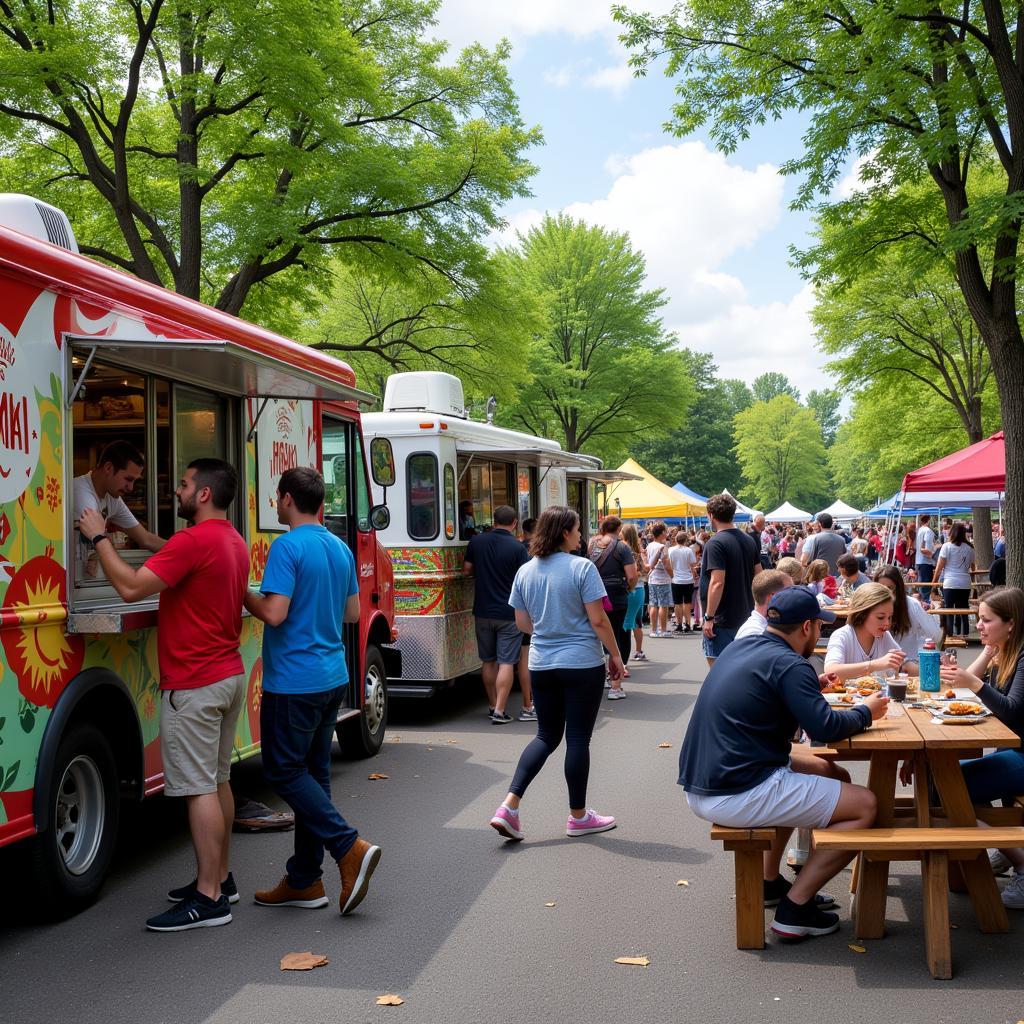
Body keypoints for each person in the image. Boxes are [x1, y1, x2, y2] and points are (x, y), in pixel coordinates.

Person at [78, 459, 248, 931]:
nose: (176, 490)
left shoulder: (193, 541)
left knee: (198, 790)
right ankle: (221, 878)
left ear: (205, 495)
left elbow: (131, 587)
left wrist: (98, 536)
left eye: (185, 484)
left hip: (194, 684)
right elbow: (167, 563)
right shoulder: (232, 539)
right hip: (226, 676)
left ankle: (209, 898)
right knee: (217, 782)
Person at [679, 587, 885, 939]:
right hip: (738, 789)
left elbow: (770, 693)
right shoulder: (792, 664)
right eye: (820, 627)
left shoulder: (742, 648)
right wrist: (867, 712)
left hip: (707, 780)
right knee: (866, 805)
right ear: (807, 627)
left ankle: (769, 881)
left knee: (830, 772)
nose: (820, 633)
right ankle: (795, 908)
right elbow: (828, 728)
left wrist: (808, 688)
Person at [243, 467, 380, 916]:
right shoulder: (338, 547)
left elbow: (275, 613)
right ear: (320, 502)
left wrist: (242, 593)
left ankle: (348, 846)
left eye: (277, 498)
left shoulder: (286, 547)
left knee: (283, 772)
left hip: (292, 681)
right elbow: (354, 612)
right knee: (314, 776)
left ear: (286, 499)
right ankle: (304, 879)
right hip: (331, 677)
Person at [489, 507, 623, 841]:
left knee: (546, 736)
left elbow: (522, 623)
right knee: (577, 737)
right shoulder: (582, 568)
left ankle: (509, 805)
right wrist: (616, 655)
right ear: (565, 532)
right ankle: (578, 817)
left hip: (541, 662)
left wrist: (549, 633)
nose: (581, 535)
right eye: (578, 529)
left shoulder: (526, 571)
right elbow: (597, 620)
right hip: (581, 663)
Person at [464, 505, 530, 723]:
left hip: (482, 611)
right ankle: (501, 710)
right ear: (514, 524)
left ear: (493, 521)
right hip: (509, 613)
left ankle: (492, 705)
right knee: (506, 662)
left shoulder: (477, 542)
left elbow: (467, 570)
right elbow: (525, 580)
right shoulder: (518, 548)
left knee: (488, 661)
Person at [74, 440, 165, 578]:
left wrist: (188, 552)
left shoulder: (112, 497)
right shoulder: (81, 493)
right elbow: (102, 544)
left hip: (80, 579)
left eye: (134, 481)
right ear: (108, 468)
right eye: (128, 479)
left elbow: (146, 539)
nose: (131, 487)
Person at [700, 493, 759, 666]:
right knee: (744, 668)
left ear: (711, 516)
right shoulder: (749, 540)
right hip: (746, 615)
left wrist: (709, 617)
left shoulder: (715, 543)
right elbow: (760, 577)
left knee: (719, 671)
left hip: (723, 618)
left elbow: (717, 582)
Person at [587, 516, 637, 698]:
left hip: (593, 595)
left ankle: (598, 679)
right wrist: (628, 588)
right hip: (616, 596)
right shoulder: (622, 547)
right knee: (615, 637)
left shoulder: (591, 544)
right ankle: (615, 685)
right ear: (618, 528)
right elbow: (632, 575)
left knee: (595, 637)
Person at [823, 583, 913, 679]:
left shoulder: (884, 636)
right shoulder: (842, 636)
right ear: (862, 614)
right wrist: (875, 665)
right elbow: (831, 670)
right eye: (880, 617)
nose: (887, 623)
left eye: (890, 617)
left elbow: (906, 666)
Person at [872, 564, 943, 669]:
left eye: (889, 588)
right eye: (881, 588)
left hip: (906, 667)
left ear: (898, 588)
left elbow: (935, 635)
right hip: (884, 666)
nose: (885, 593)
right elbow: (936, 635)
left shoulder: (911, 605)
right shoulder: (911, 604)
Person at [935, 521, 976, 636]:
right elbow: (973, 567)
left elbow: (939, 568)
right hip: (965, 582)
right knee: (964, 609)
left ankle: (950, 635)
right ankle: (965, 634)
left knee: (949, 610)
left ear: (951, 532)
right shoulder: (970, 548)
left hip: (950, 582)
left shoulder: (946, 546)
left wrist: (933, 583)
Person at [735, 569, 794, 640]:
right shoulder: (755, 634)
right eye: (790, 592)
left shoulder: (766, 628)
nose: (793, 597)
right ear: (774, 597)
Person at [621, 523, 649, 662]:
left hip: (631, 590)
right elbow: (645, 571)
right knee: (637, 623)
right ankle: (638, 651)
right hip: (640, 589)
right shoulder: (638, 551)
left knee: (625, 624)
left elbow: (631, 574)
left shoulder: (624, 551)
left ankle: (622, 660)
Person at [645, 522, 674, 638]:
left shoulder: (649, 546)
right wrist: (672, 575)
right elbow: (667, 564)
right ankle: (663, 630)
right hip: (663, 579)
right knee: (663, 605)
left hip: (652, 578)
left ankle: (653, 630)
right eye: (665, 531)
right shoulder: (662, 547)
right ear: (662, 533)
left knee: (653, 604)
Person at [668, 528, 698, 633]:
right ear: (685, 540)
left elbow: (669, 564)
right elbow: (693, 564)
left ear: (676, 540)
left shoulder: (671, 550)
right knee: (688, 603)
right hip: (688, 580)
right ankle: (688, 624)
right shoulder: (689, 550)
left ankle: (679, 624)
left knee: (677, 603)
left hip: (676, 579)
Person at [915, 513, 938, 601]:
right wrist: (935, 555)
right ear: (929, 520)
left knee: (922, 587)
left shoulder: (920, 530)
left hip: (920, 562)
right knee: (926, 589)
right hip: (926, 562)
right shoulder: (928, 531)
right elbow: (926, 549)